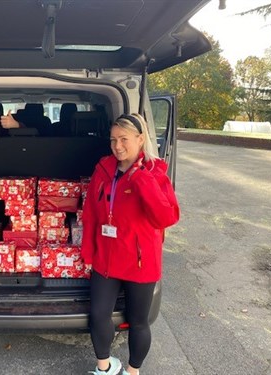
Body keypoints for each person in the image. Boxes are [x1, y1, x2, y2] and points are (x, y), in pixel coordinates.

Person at [81, 113, 180, 375]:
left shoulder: (155, 172)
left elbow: (167, 217)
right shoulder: (103, 168)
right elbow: (90, 212)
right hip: (107, 257)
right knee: (99, 314)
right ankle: (104, 369)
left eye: (124, 139)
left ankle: (133, 370)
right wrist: (88, 252)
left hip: (140, 260)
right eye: (113, 139)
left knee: (138, 322)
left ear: (140, 138)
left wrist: (141, 180)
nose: (117, 146)